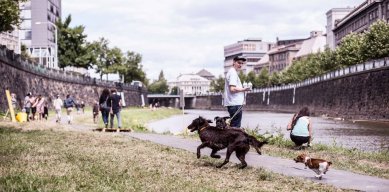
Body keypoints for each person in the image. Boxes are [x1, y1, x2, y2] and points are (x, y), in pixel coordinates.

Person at [223, 56, 251, 128]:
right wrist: (244, 89)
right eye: (238, 63)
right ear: (234, 62)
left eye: (242, 63)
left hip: (233, 104)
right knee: (236, 127)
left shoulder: (231, 72)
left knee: (233, 126)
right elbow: (232, 89)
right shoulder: (233, 73)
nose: (240, 65)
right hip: (235, 104)